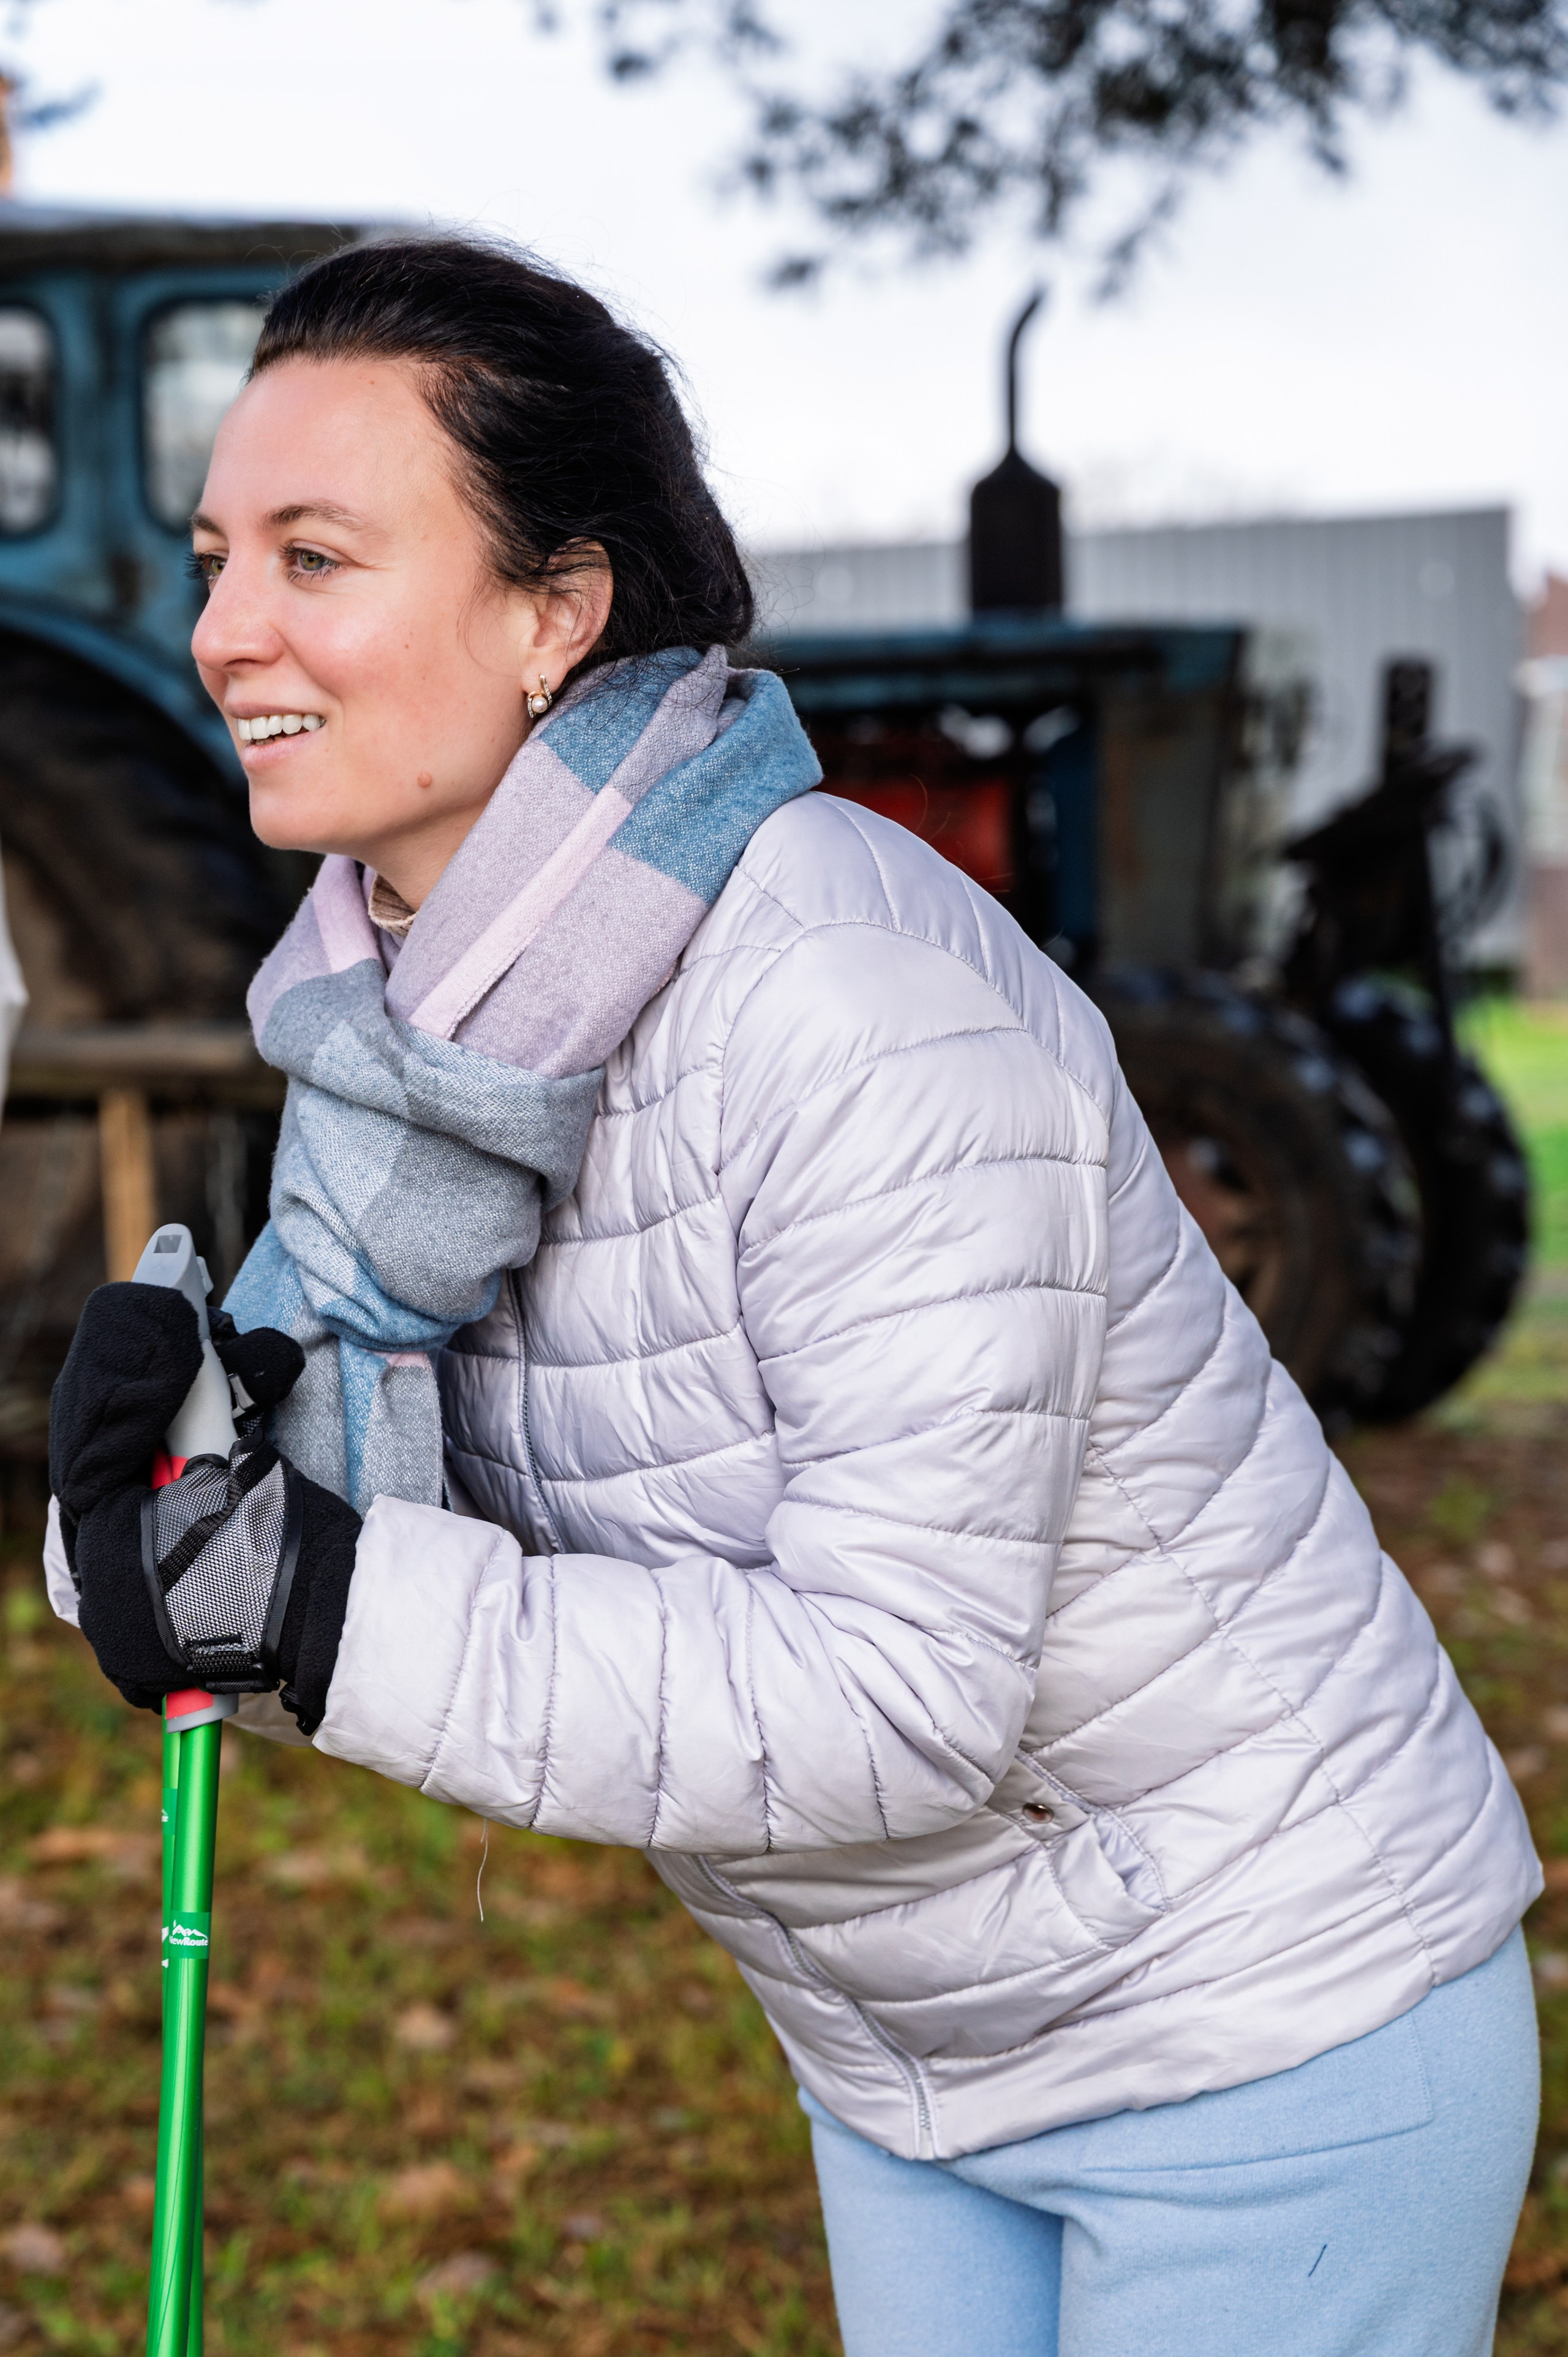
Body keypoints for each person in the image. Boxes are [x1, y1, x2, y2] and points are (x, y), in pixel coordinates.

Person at [43, 236, 1540, 2357]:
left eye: (314, 556)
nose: (221, 631)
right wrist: (132, 1508)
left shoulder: (850, 996)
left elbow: (898, 1696)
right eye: (216, 556)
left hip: (1263, 2036)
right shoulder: (398, 1040)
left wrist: (307, 1599)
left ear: (554, 612)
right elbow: (281, 1552)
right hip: (916, 2054)